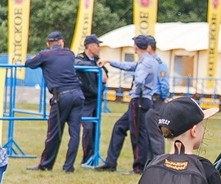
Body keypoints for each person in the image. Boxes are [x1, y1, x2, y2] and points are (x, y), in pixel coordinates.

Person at [25, 31, 85, 173]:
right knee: (75, 133)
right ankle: (68, 167)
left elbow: (29, 63)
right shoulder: (70, 54)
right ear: (62, 42)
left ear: (48, 44)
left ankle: (46, 164)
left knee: (54, 132)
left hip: (61, 96)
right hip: (78, 94)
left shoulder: (45, 55)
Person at [98, 35, 158, 173]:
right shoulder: (148, 60)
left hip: (139, 101)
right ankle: (110, 163)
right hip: (143, 100)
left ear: (136, 46)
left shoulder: (145, 63)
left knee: (137, 134)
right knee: (119, 127)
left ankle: (139, 167)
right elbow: (129, 66)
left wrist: (134, 91)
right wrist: (109, 61)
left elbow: (140, 79)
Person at [75, 34, 108, 166]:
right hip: (85, 99)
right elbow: (77, 63)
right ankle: (87, 158)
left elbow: (105, 77)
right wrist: (97, 68)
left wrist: (100, 69)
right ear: (89, 46)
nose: (99, 48)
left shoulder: (97, 60)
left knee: (95, 129)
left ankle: (93, 157)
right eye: (96, 45)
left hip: (96, 99)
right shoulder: (80, 58)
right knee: (87, 128)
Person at [145, 35, 170, 163]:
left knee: (155, 134)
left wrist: (163, 98)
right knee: (149, 133)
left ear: (149, 47)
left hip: (157, 100)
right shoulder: (150, 62)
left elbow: (164, 84)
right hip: (152, 100)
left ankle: (159, 162)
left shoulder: (159, 63)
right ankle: (150, 163)